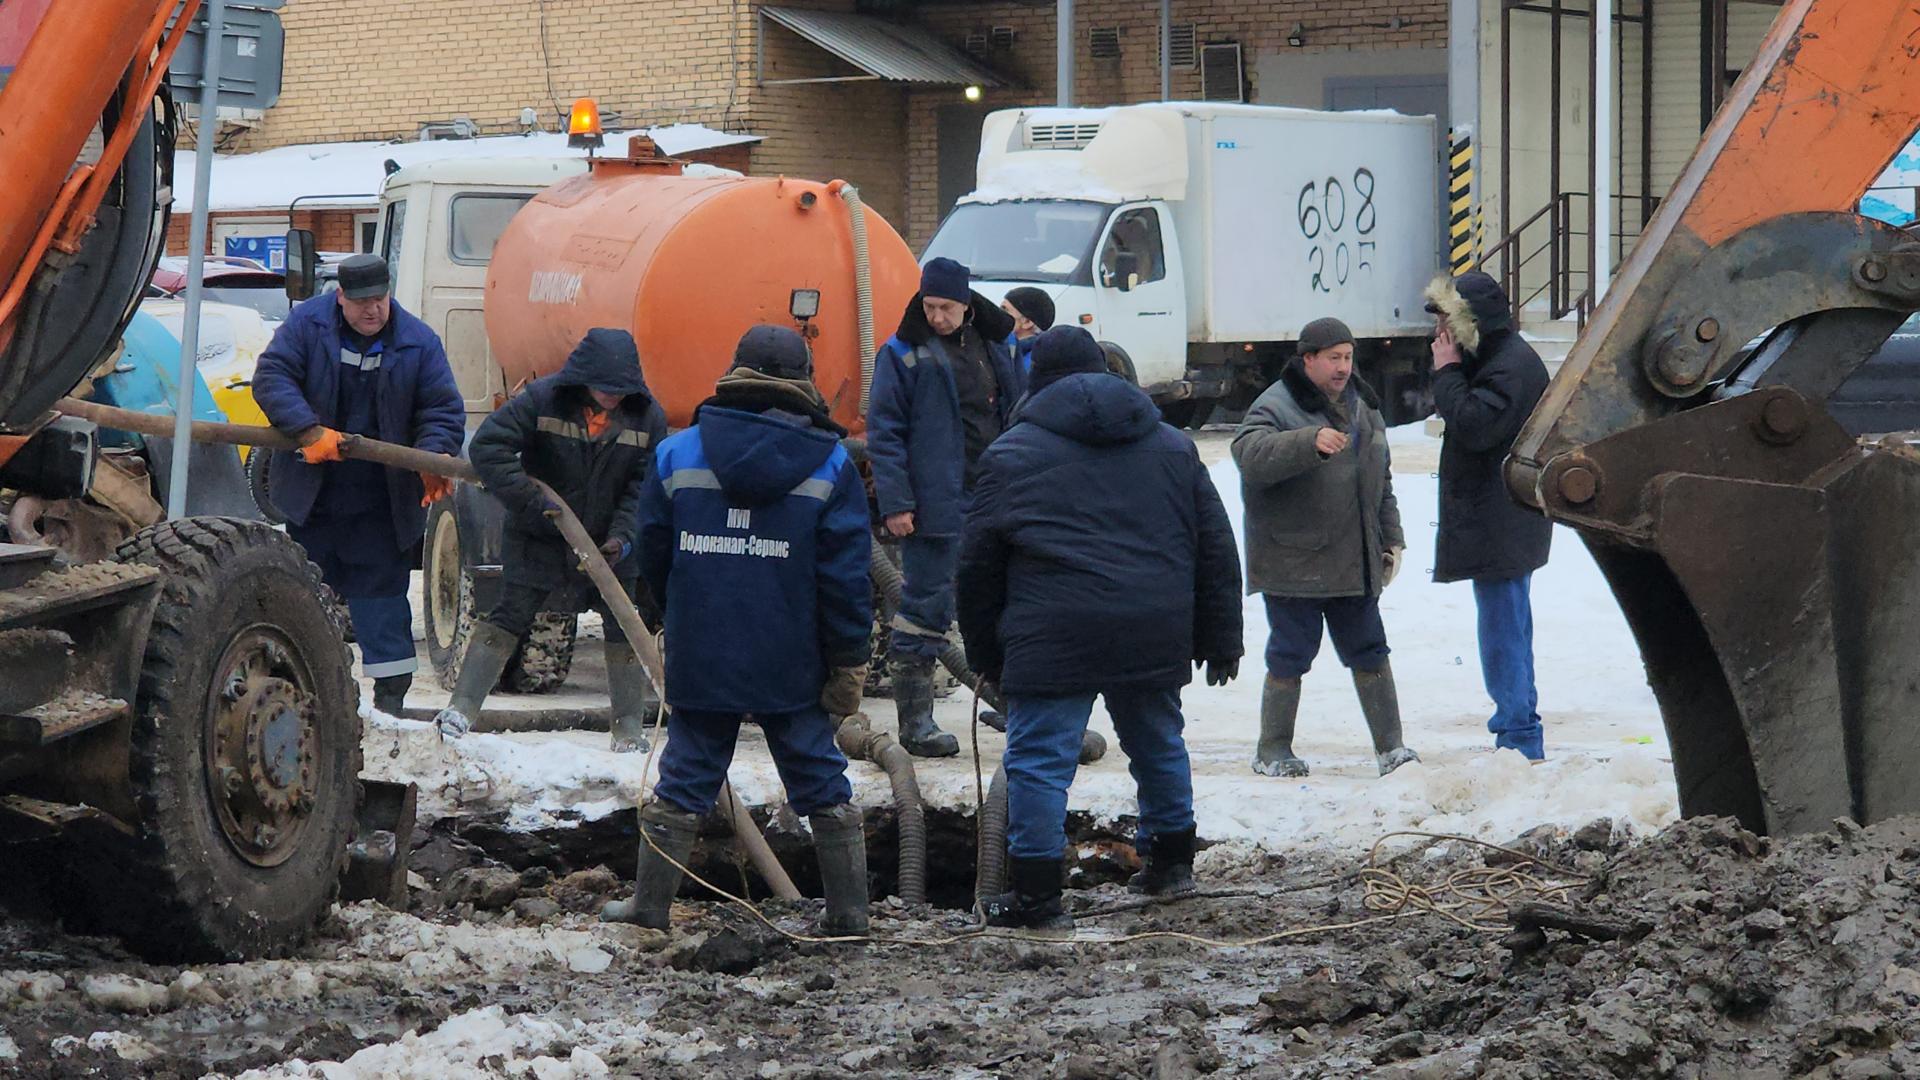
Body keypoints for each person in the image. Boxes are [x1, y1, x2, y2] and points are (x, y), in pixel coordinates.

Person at [957, 326, 1243, 933]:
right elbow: (1215, 546)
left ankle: (1037, 895)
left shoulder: (1011, 454)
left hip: (1053, 631)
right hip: (1152, 624)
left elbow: (977, 565)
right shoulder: (1170, 446)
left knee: (1039, 760)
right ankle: (1171, 865)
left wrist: (986, 652)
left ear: (1036, 382)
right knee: (1158, 742)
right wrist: (1222, 636)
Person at [603, 325, 872, 935]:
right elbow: (846, 579)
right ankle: (849, 915)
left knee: (686, 774)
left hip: (706, 645)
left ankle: (649, 910)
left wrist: (676, 618)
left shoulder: (678, 453)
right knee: (818, 776)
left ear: (734, 370)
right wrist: (848, 658)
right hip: (793, 655)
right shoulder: (831, 464)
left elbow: (653, 552)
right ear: (803, 378)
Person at [434, 328, 668, 751]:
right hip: (539, 537)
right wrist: (533, 504)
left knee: (624, 626)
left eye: (619, 391)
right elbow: (489, 448)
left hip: (609, 548)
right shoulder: (543, 400)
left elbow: (643, 486)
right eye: (603, 389)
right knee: (509, 614)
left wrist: (621, 538)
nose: (610, 398)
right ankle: (461, 710)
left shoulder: (647, 417)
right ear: (582, 379)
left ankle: (628, 731)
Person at [253, 253, 464, 716]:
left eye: (381, 300)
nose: (373, 310)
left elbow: (441, 409)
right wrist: (307, 429)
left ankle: (390, 706)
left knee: (382, 603)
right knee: (305, 599)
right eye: (362, 302)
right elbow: (272, 377)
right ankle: (300, 698)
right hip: (315, 496)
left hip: (382, 503)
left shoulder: (417, 342)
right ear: (341, 298)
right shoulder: (307, 326)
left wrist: (431, 456)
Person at [1232, 317, 1419, 779]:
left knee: (1370, 648)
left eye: (1348, 357)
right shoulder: (1277, 404)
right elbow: (1248, 455)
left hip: (1353, 558)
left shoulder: (1363, 404)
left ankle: (1391, 748)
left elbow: (1382, 479)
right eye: (1333, 358)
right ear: (1308, 359)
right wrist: (1307, 442)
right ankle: (1272, 748)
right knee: (1291, 652)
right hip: (1294, 559)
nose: (1342, 367)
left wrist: (1389, 538)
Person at [867, 256, 1023, 758]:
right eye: (930, 306)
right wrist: (896, 503)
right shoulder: (902, 352)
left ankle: (1013, 705)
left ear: (967, 304)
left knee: (1005, 604)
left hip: (995, 496)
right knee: (924, 608)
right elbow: (885, 432)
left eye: (947, 308)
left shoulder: (996, 342)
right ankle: (915, 722)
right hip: (936, 501)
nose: (937, 317)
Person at [1425, 271, 1553, 760]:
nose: (1438, 333)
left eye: (1445, 320)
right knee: (1510, 621)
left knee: (1503, 628)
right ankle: (1520, 726)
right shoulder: (1501, 358)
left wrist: (1446, 372)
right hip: (1505, 517)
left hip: (1502, 518)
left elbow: (1474, 425)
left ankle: (1518, 734)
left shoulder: (1508, 366)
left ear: (1468, 321)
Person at [1000, 286, 1056, 374]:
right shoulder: (1009, 351)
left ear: (1027, 322)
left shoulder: (1034, 363)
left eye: (1005, 310)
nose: (998, 314)